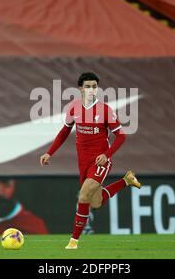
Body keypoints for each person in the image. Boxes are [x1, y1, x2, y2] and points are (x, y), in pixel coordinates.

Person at [40, 72, 141, 249]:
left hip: (100, 161)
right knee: (96, 202)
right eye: (88, 86)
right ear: (80, 89)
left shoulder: (105, 110)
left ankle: (73, 242)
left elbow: (121, 136)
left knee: (84, 195)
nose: (91, 90)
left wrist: (107, 155)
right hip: (83, 163)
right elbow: (64, 132)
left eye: (94, 86)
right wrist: (50, 153)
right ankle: (126, 181)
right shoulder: (74, 108)